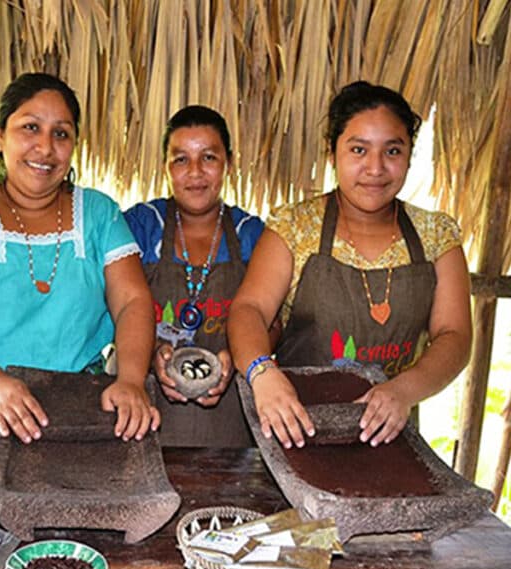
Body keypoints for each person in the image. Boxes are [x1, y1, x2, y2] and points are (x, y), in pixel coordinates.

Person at [0, 72, 159, 445]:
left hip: (74, 410)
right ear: (0, 135)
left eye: (61, 133)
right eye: (30, 128)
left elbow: (133, 302)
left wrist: (131, 381)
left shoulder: (99, 213)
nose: (45, 147)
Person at [228, 81, 472, 450]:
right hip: (294, 430)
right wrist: (262, 374)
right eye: (359, 149)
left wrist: (403, 391)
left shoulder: (436, 236)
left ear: (409, 155)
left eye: (393, 150)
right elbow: (249, 310)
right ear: (332, 153)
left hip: (391, 437)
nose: (375, 168)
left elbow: (455, 336)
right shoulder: (295, 227)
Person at [124, 105, 278, 447]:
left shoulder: (252, 235)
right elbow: (117, 308)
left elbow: (274, 323)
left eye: (208, 157)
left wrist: (237, 359)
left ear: (229, 163)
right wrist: (150, 353)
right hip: (144, 411)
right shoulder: (140, 227)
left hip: (231, 422)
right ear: (165, 166)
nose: (195, 172)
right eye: (180, 159)